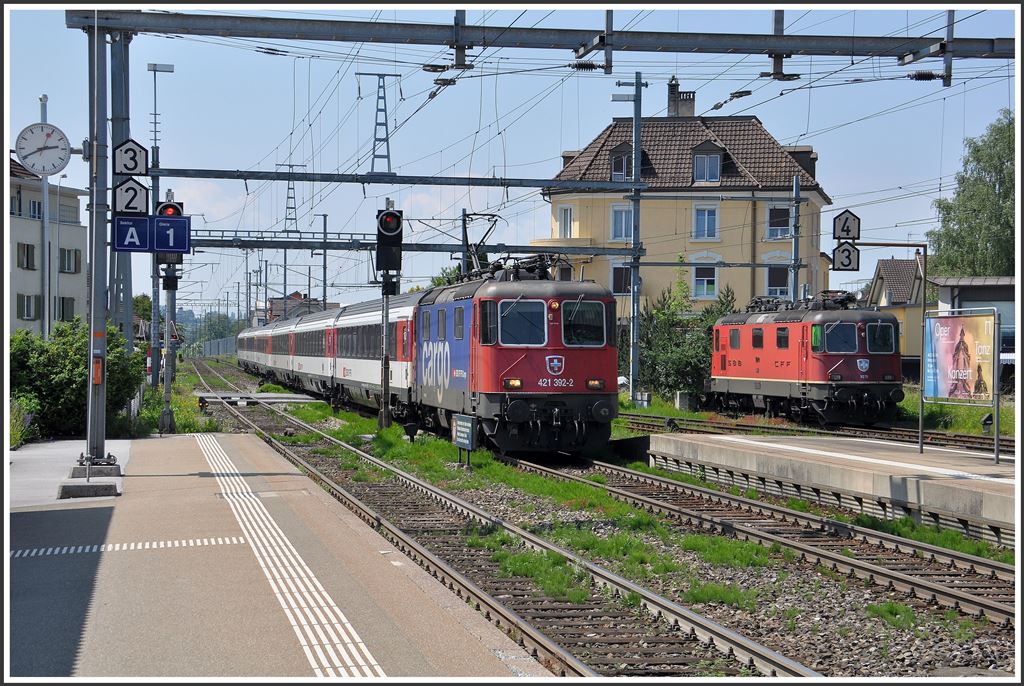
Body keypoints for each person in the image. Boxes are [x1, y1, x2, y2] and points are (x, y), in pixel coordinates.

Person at [948, 326, 972, 398]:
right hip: (958, 364)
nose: (961, 336)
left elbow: (968, 355)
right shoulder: (958, 345)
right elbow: (954, 355)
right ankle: (955, 392)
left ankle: (965, 392)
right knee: (957, 377)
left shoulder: (965, 345)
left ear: (963, 335)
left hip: (964, 364)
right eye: (961, 335)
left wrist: (965, 354)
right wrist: (958, 352)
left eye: (962, 335)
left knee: (963, 377)